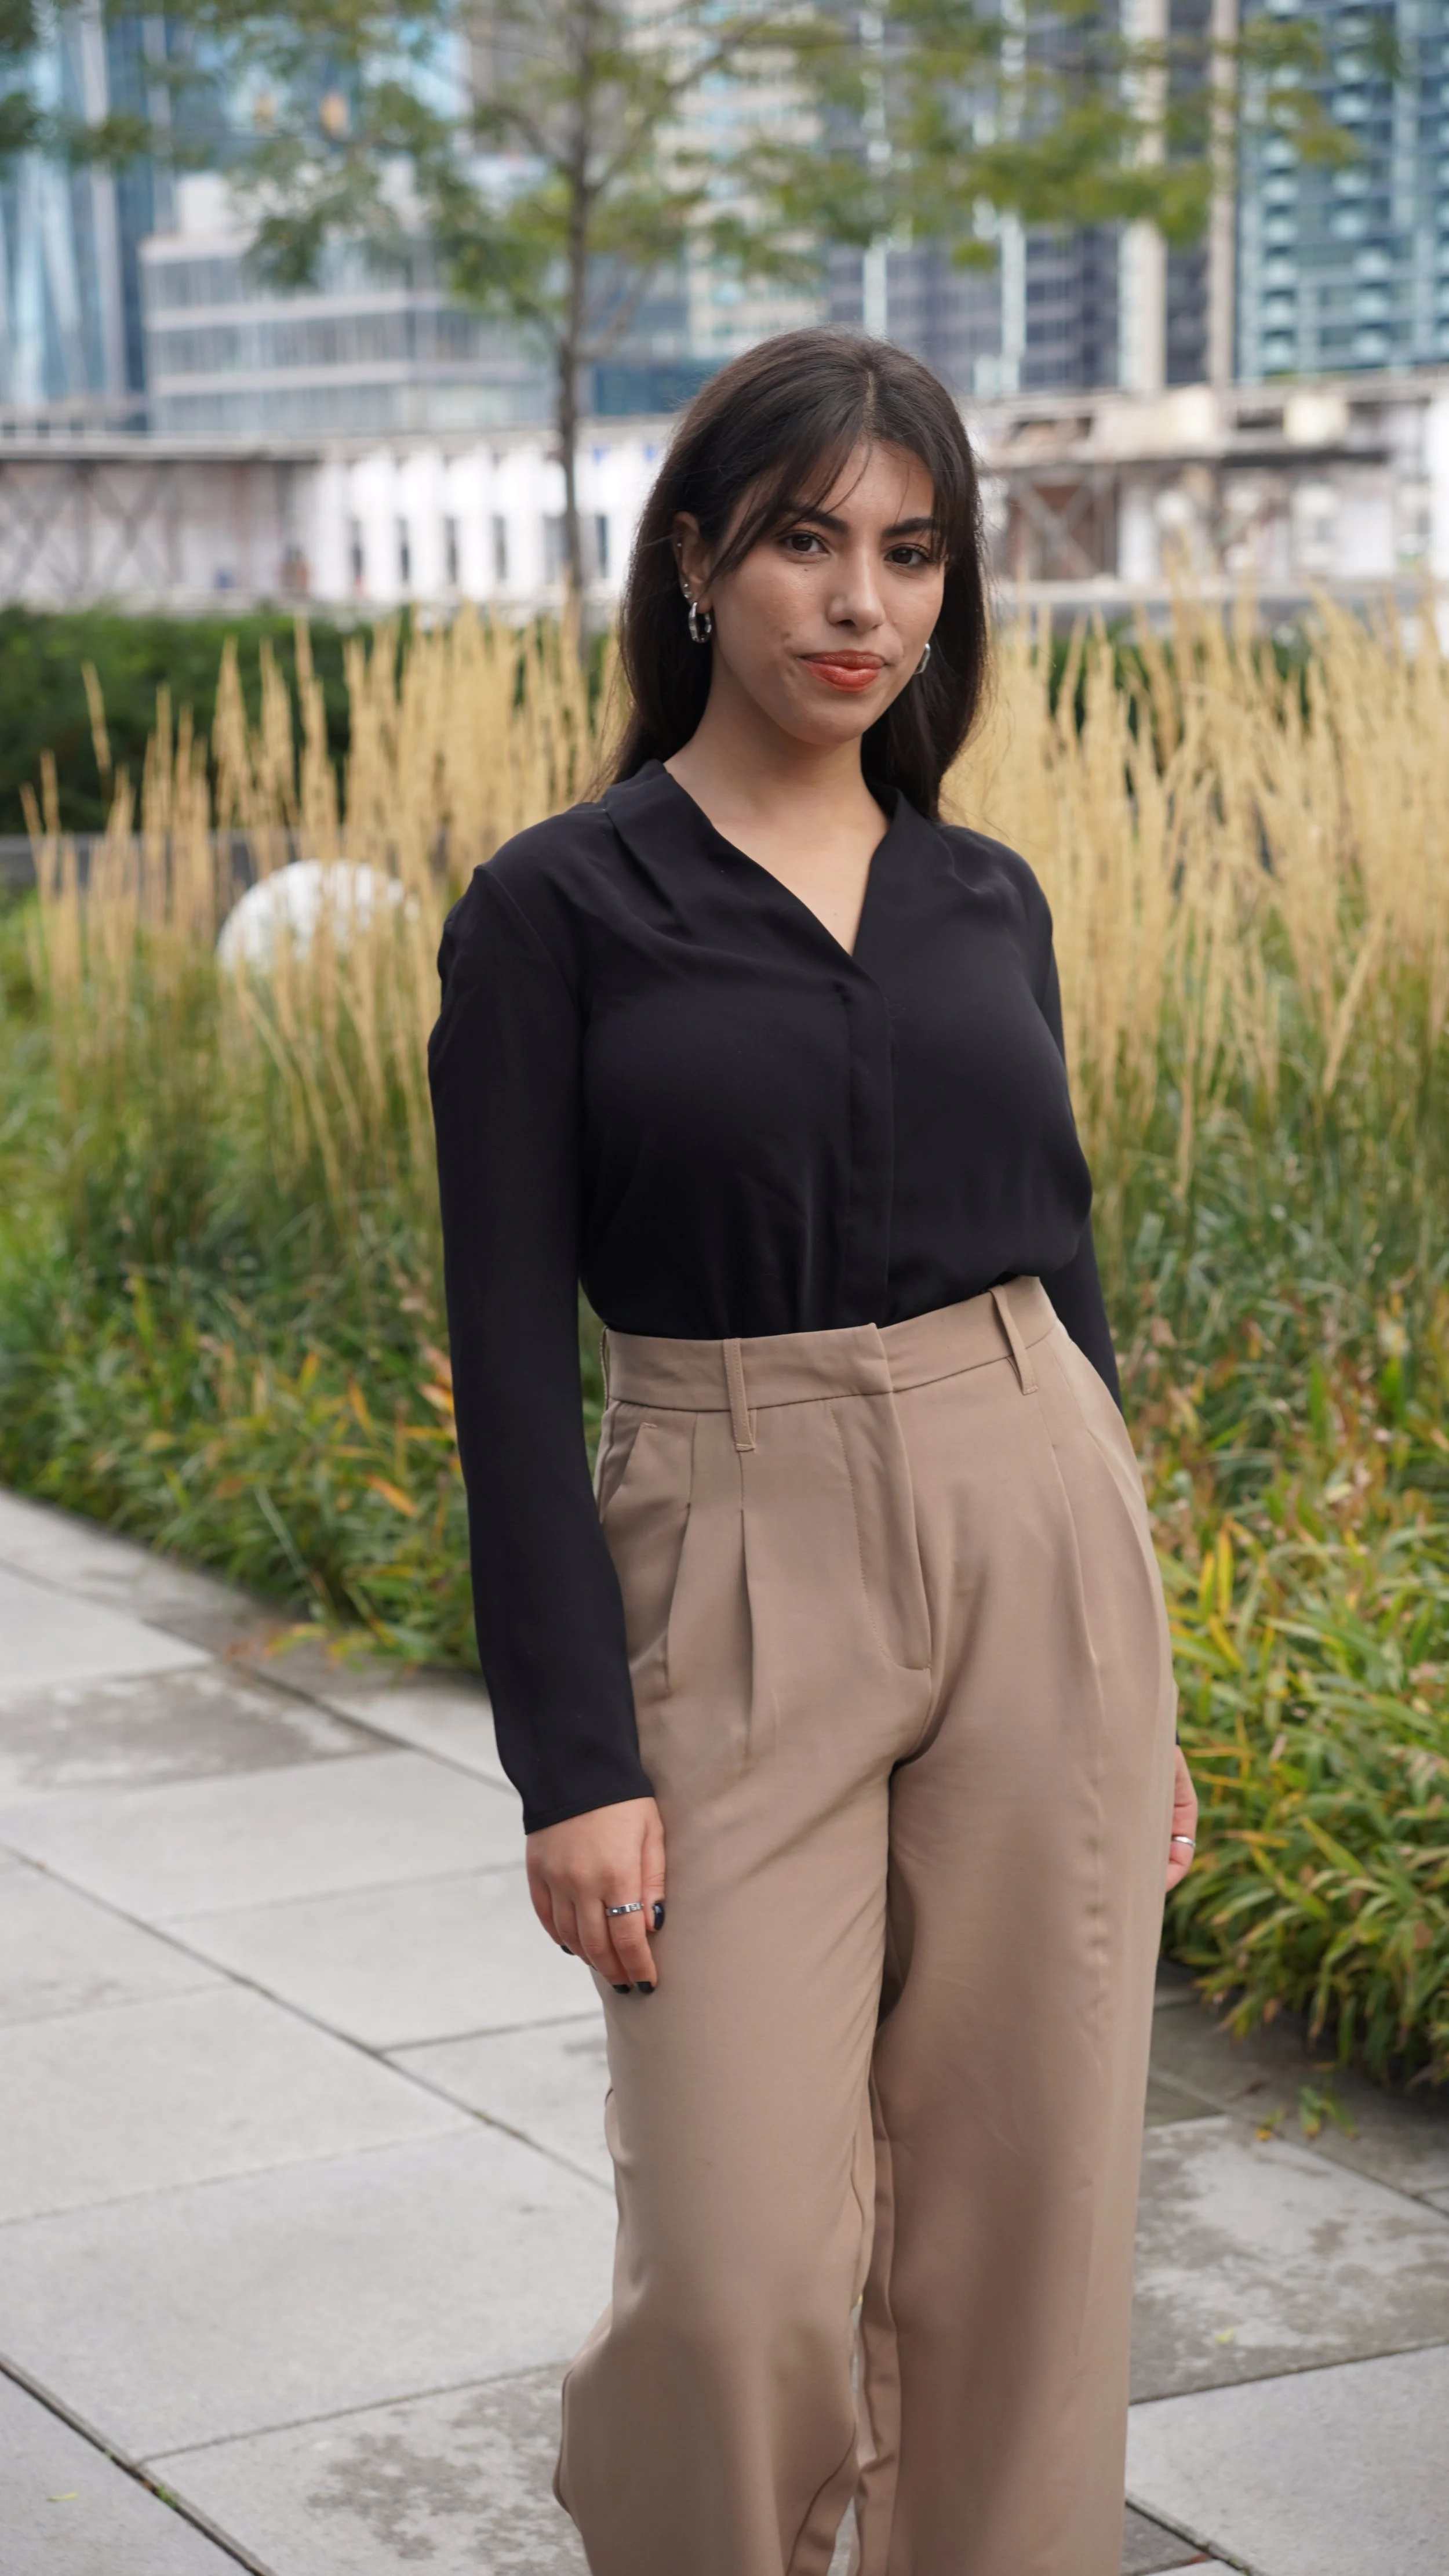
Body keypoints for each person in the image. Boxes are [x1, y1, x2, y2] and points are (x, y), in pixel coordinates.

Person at [428, 327, 1199, 2576]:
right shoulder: (555, 915)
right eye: (801, 544)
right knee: (742, 2275)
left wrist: (1133, 1691)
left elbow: (1059, 1273)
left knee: (1029, 2245)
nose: (859, 603)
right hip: (730, 1537)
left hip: (1037, 1522)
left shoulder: (988, 904)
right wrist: (570, 1760)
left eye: (909, 553)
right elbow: (503, 1351)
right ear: (693, 563)